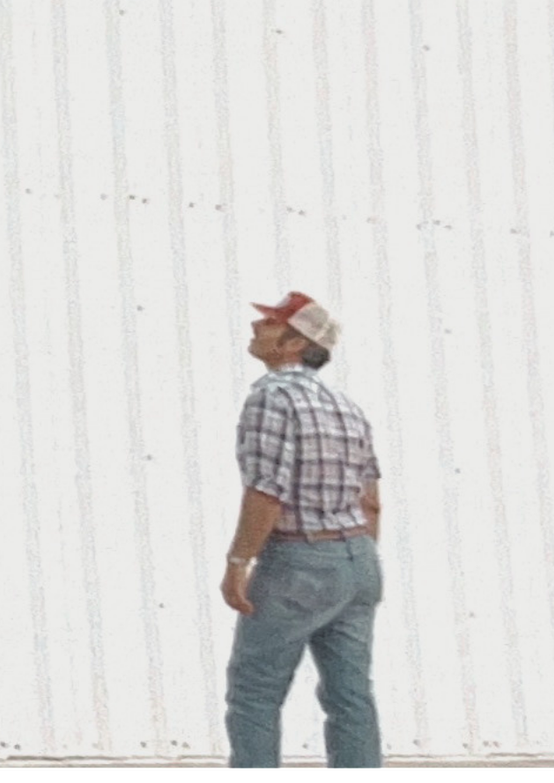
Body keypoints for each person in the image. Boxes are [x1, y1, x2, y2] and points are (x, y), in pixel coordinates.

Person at [220, 291, 384, 770]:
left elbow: (265, 491)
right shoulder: (347, 406)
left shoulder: (271, 397)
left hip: (298, 560)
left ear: (294, 342)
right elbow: (369, 498)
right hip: (357, 559)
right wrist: (353, 557)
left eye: (269, 325)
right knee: (350, 695)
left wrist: (238, 562)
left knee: (254, 691)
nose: (256, 330)